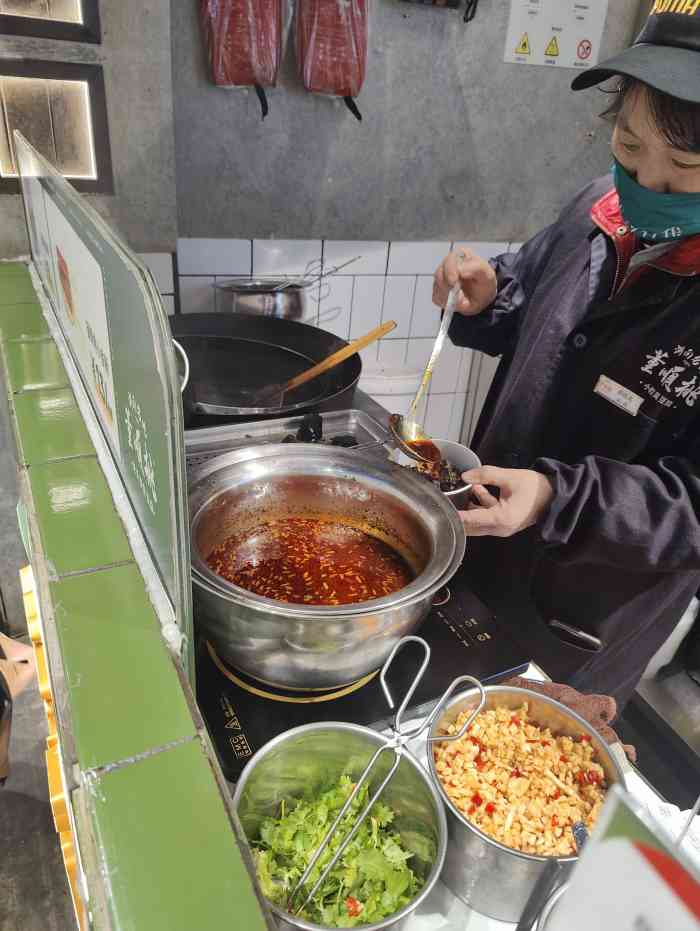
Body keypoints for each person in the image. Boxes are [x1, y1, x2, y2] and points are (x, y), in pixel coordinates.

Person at [431, 4, 700, 710]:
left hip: (578, 625)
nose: (646, 180)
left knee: (519, 780)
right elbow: (536, 309)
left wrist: (558, 496)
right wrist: (491, 294)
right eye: (630, 142)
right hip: (482, 553)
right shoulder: (597, 207)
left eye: (684, 166)